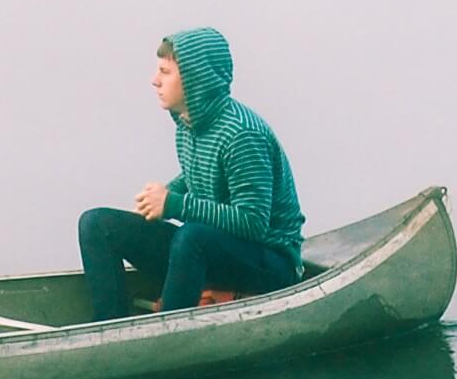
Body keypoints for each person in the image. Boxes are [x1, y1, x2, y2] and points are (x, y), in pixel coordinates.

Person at [78, 27, 307, 321]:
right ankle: (110, 329)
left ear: (194, 78)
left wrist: (174, 204)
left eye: (165, 72)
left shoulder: (242, 134)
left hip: (270, 263)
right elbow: (198, 174)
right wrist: (161, 199)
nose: (154, 80)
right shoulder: (188, 125)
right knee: (96, 223)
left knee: (192, 236)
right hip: (213, 250)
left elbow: (253, 223)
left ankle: (166, 335)